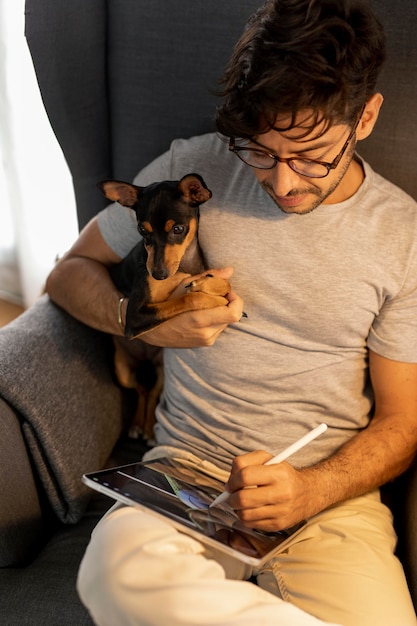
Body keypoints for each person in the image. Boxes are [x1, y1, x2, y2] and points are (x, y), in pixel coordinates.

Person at [45, 0, 417, 624]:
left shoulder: (403, 237)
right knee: (114, 572)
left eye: (312, 156)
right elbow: (68, 274)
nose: (283, 183)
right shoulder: (193, 170)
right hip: (186, 478)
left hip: (329, 503)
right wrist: (144, 320)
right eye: (262, 151)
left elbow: (404, 422)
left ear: (367, 117)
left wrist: (312, 491)